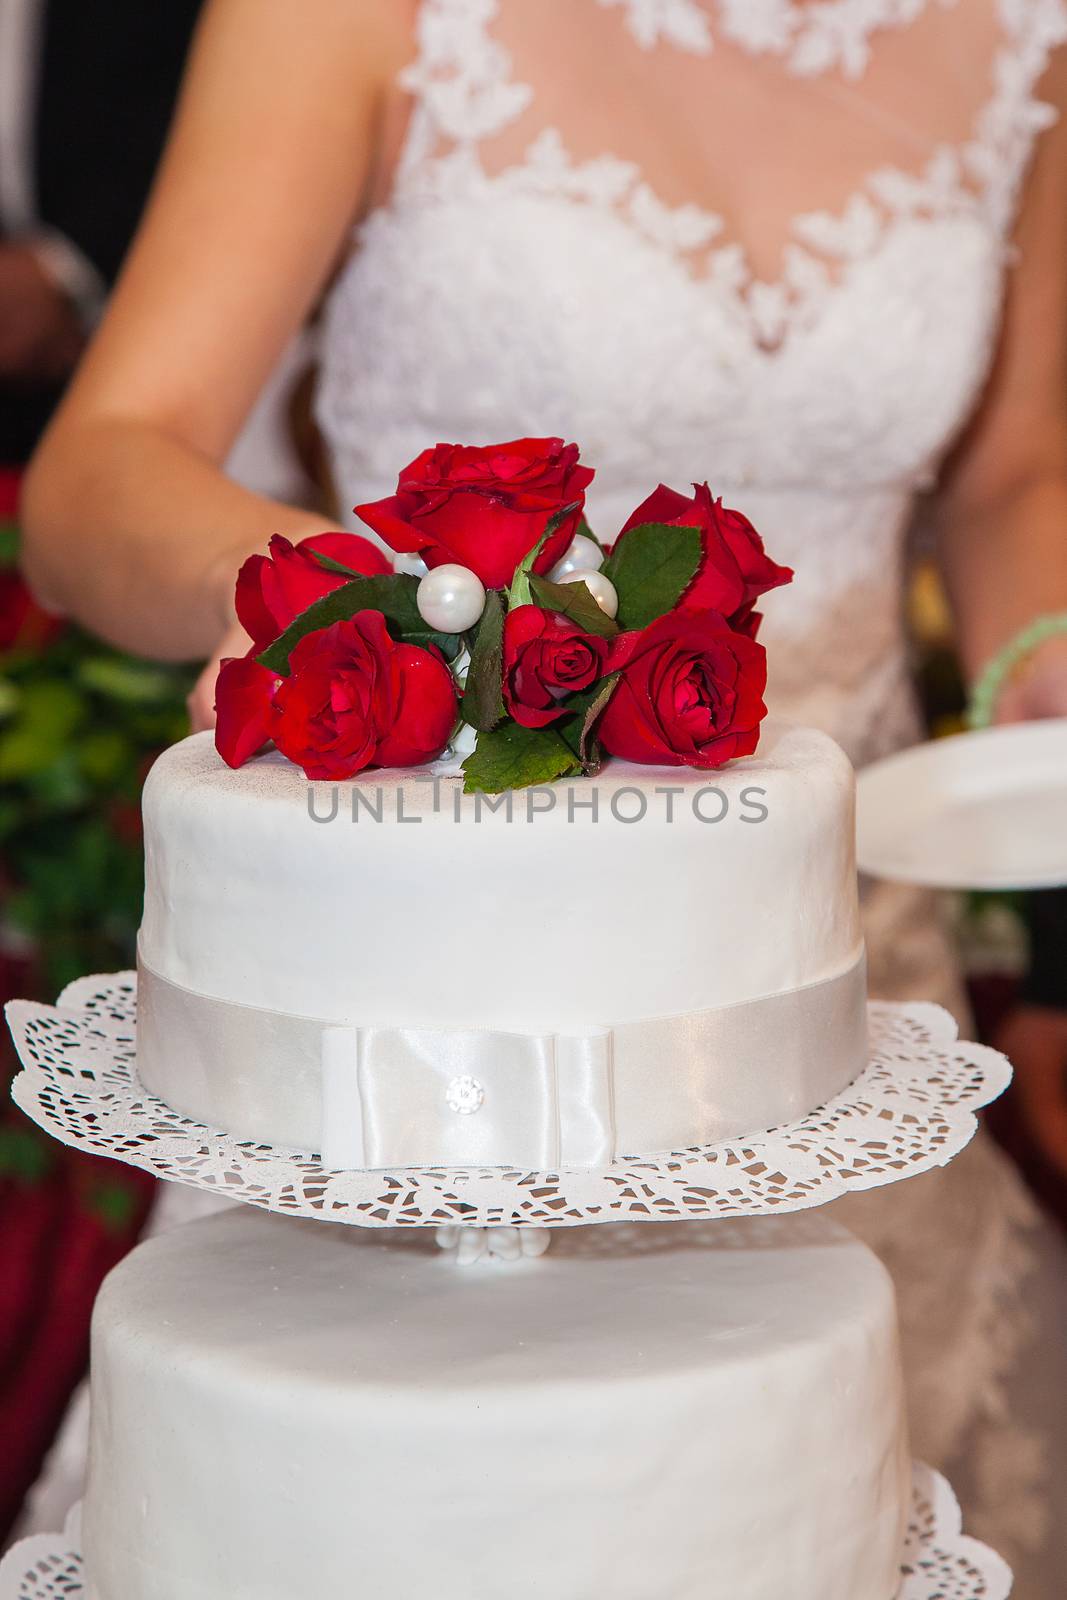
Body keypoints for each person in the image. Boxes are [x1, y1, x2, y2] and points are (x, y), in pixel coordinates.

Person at [16, 0, 1067, 1587]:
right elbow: (106, 464)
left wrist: (1044, 655)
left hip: (837, 1013)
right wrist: (313, 593)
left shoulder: (1032, 35)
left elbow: (1006, 474)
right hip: (416, 1059)